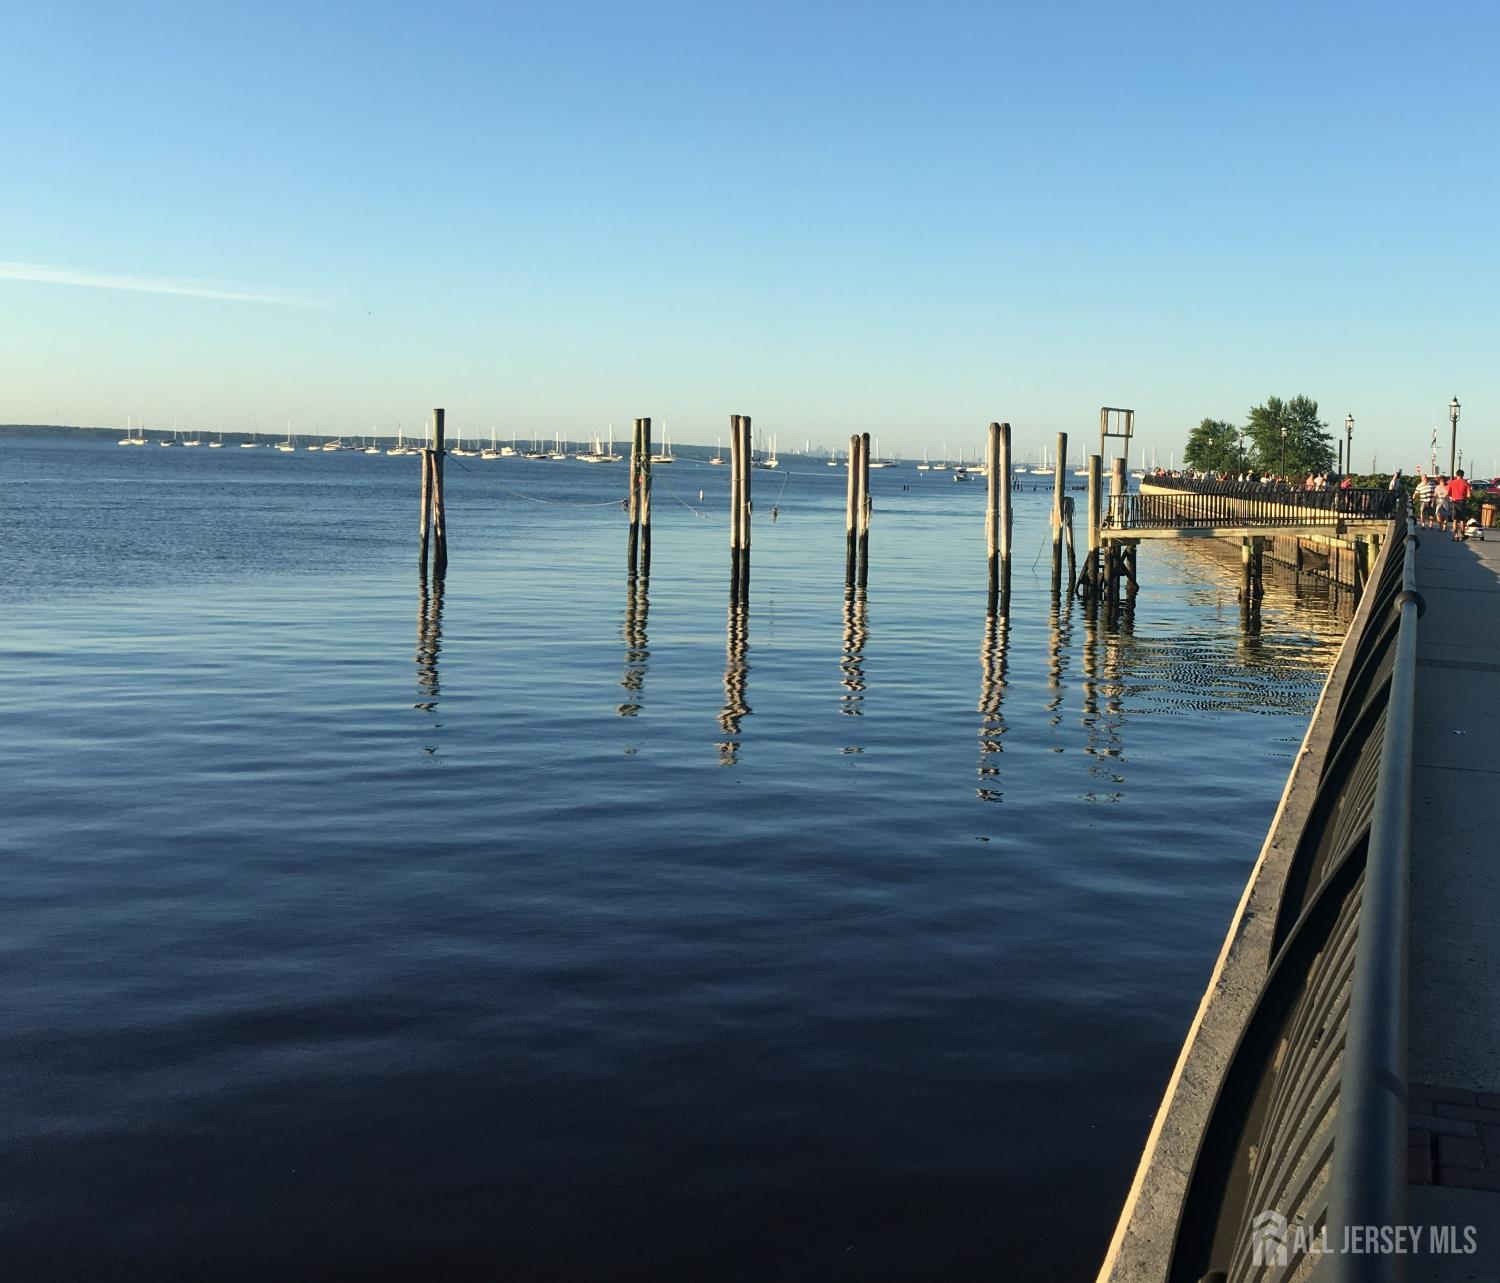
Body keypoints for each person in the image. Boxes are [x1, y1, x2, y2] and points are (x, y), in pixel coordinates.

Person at [1448, 469, 1473, 540]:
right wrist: (1464, 496)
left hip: (1454, 502)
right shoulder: (1466, 483)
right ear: (1463, 475)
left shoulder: (1452, 483)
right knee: (1462, 519)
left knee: (1455, 520)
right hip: (1462, 502)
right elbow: (1469, 495)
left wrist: (1451, 497)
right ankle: (1462, 535)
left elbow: (1447, 493)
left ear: (1456, 475)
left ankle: (1456, 536)